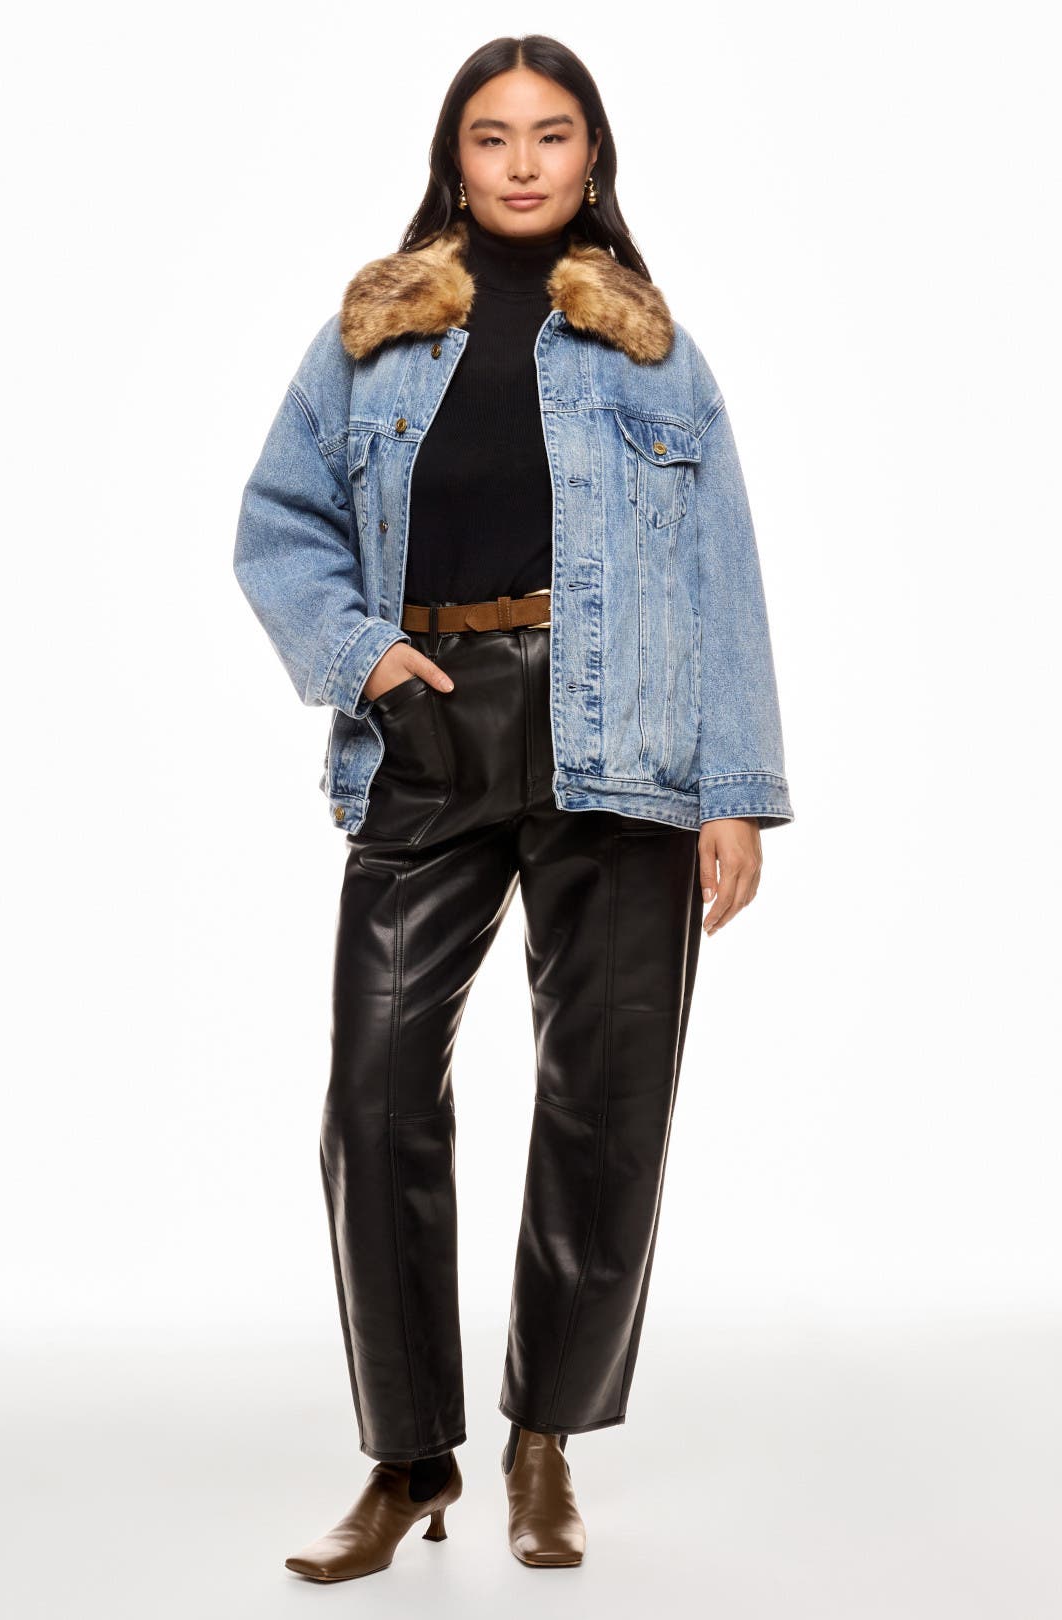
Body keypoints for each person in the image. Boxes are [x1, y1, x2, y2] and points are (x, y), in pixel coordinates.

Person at [232, 34, 794, 1581]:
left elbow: (722, 574)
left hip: (629, 745)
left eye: (553, 134)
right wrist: (363, 656)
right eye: (494, 136)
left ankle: (545, 1443)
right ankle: (410, 1458)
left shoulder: (653, 350)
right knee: (375, 1092)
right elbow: (277, 527)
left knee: (607, 1101)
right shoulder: (371, 337)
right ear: (456, 156)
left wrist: (733, 795)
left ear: (592, 155)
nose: (525, 161)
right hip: (428, 727)